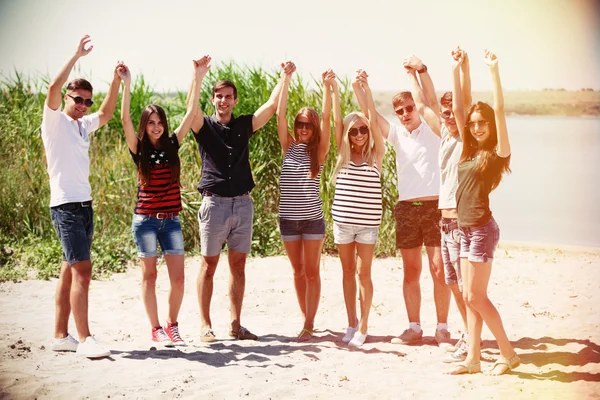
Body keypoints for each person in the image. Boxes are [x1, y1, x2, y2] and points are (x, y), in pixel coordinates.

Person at [189, 61, 295, 342]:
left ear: (235, 100)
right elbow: (191, 111)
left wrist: (285, 76)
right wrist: (197, 77)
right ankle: (205, 325)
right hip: (214, 205)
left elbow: (271, 107)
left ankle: (236, 326)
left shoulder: (243, 124)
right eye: (219, 96)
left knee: (238, 266)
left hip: (242, 204)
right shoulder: (204, 126)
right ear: (213, 99)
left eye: (228, 96)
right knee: (208, 265)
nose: (223, 100)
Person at [359, 56, 451, 345]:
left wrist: (419, 71)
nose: (405, 113)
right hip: (407, 208)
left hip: (436, 206)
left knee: (439, 269)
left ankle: (443, 328)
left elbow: (430, 101)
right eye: (400, 110)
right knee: (411, 270)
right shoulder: (396, 134)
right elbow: (369, 114)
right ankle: (414, 327)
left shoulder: (434, 128)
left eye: (409, 108)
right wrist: (362, 86)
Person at [118, 56, 209, 347]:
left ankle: (172, 326)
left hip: (171, 220)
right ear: (145, 126)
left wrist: (197, 76)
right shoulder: (138, 147)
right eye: (151, 123)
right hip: (145, 221)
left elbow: (191, 111)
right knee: (150, 276)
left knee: (179, 280)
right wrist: (127, 83)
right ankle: (155, 328)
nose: (156, 127)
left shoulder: (172, 143)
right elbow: (124, 119)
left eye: (159, 122)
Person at [43, 35, 121, 358]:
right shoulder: (56, 121)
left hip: (83, 205)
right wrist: (76, 55)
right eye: (78, 99)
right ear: (68, 97)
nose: (84, 105)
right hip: (65, 206)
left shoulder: (81, 125)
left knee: (69, 268)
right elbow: (52, 91)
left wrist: (116, 81)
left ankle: (61, 336)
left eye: (87, 101)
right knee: (83, 270)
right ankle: (86, 339)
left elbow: (105, 113)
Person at [448, 50, 519, 375]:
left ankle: (508, 353)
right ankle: (473, 359)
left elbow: (501, 109)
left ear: (490, 125)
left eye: (482, 123)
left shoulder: (496, 152)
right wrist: (459, 68)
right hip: (463, 228)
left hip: (481, 229)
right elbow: (461, 107)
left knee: (475, 296)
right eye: (473, 124)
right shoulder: (469, 149)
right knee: (467, 296)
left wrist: (494, 70)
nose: (476, 127)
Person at [276, 64, 332, 342]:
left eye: (307, 124)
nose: (302, 128)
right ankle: (306, 318)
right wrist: (285, 79)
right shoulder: (288, 145)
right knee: (297, 271)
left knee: (312, 272)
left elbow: (326, 116)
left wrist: (327, 88)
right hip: (287, 219)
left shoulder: (319, 151)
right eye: (299, 124)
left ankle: (309, 324)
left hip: (312, 219)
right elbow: (280, 113)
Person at [332, 70, 385, 348]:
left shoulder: (376, 155)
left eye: (363, 129)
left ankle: (364, 326)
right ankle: (351, 322)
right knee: (347, 272)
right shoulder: (341, 156)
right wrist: (335, 89)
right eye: (355, 131)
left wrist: (365, 88)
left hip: (367, 225)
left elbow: (374, 119)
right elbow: (337, 122)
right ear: (348, 135)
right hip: (343, 223)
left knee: (365, 274)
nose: (361, 134)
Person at [437, 47, 472, 362]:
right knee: (453, 284)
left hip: (461, 223)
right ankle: (467, 333)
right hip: (444, 223)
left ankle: (471, 339)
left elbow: (464, 107)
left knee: (466, 286)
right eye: (443, 111)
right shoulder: (445, 139)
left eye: (450, 111)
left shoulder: (464, 137)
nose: (448, 116)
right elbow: (421, 104)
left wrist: (460, 68)